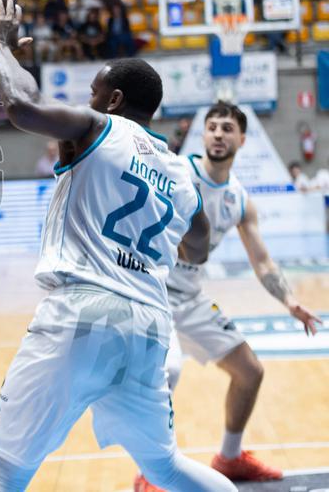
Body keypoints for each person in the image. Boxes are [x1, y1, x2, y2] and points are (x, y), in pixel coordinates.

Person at [0, 0, 234, 492]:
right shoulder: (182, 173)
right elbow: (199, 249)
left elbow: (21, 106)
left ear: (113, 101)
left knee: (3, 470)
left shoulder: (99, 127)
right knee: (166, 468)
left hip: (83, 310)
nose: (86, 103)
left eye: (93, 93)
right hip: (150, 325)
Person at [135, 103, 323, 490]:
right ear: (203, 136)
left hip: (190, 296)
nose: (218, 134)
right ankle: (149, 473)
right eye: (212, 128)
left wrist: (289, 302)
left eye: (227, 128)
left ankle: (231, 457)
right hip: (150, 292)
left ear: (241, 138)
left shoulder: (239, 199)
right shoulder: (177, 171)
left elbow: (263, 261)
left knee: (250, 371)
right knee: (167, 372)